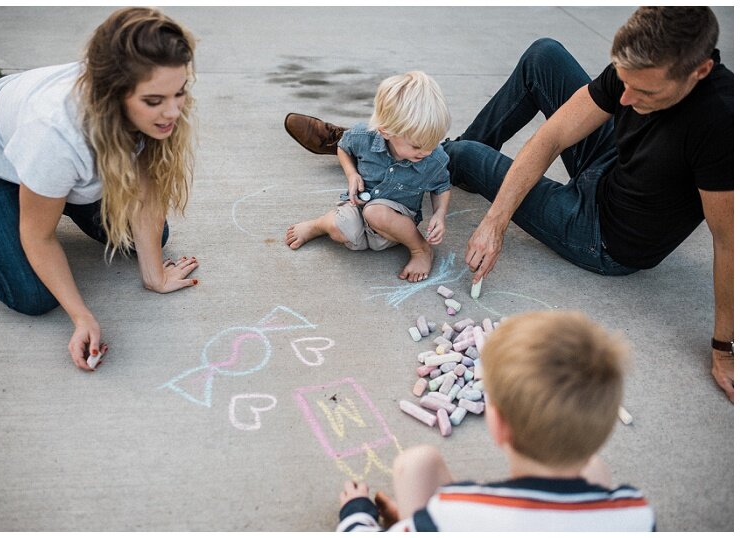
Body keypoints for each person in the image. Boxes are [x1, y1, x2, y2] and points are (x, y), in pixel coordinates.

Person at [282, 7, 734, 402]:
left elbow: (727, 240)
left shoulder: (720, 126)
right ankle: (396, 142)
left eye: (645, 94)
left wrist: (724, 348)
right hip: (611, 164)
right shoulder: (638, 69)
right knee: (544, 54)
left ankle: (405, 148)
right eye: (625, 84)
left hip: (604, 232)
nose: (627, 100)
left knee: (462, 155)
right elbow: (555, 135)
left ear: (698, 71)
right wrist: (496, 219)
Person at [0, 7, 200, 371]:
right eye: (154, 101)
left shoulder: (155, 102)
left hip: (53, 167)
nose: (173, 112)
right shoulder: (57, 133)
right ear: (113, 93)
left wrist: (154, 276)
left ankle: (53, 195)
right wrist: (82, 317)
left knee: (149, 238)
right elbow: (40, 238)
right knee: (31, 294)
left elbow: (148, 189)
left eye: (180, 93)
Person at [336, 310, 656, 531]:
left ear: (498, 425)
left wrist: (358, 512)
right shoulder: (637, 512)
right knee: (596, 470)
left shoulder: (453, 513)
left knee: (416, 463)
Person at [284, 71, 452, 283]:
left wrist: (439, 214)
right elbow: (343, 147)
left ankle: (421, 250)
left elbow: (441, 186)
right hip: (357, 207)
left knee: (376, 213)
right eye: (418, 145)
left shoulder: (433, 158)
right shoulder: (364, 136)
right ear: (386, 131)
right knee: (340, 230)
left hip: (395, 226)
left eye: (433, 142)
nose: (427, 151)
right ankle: (317, 225)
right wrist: (352, 173)